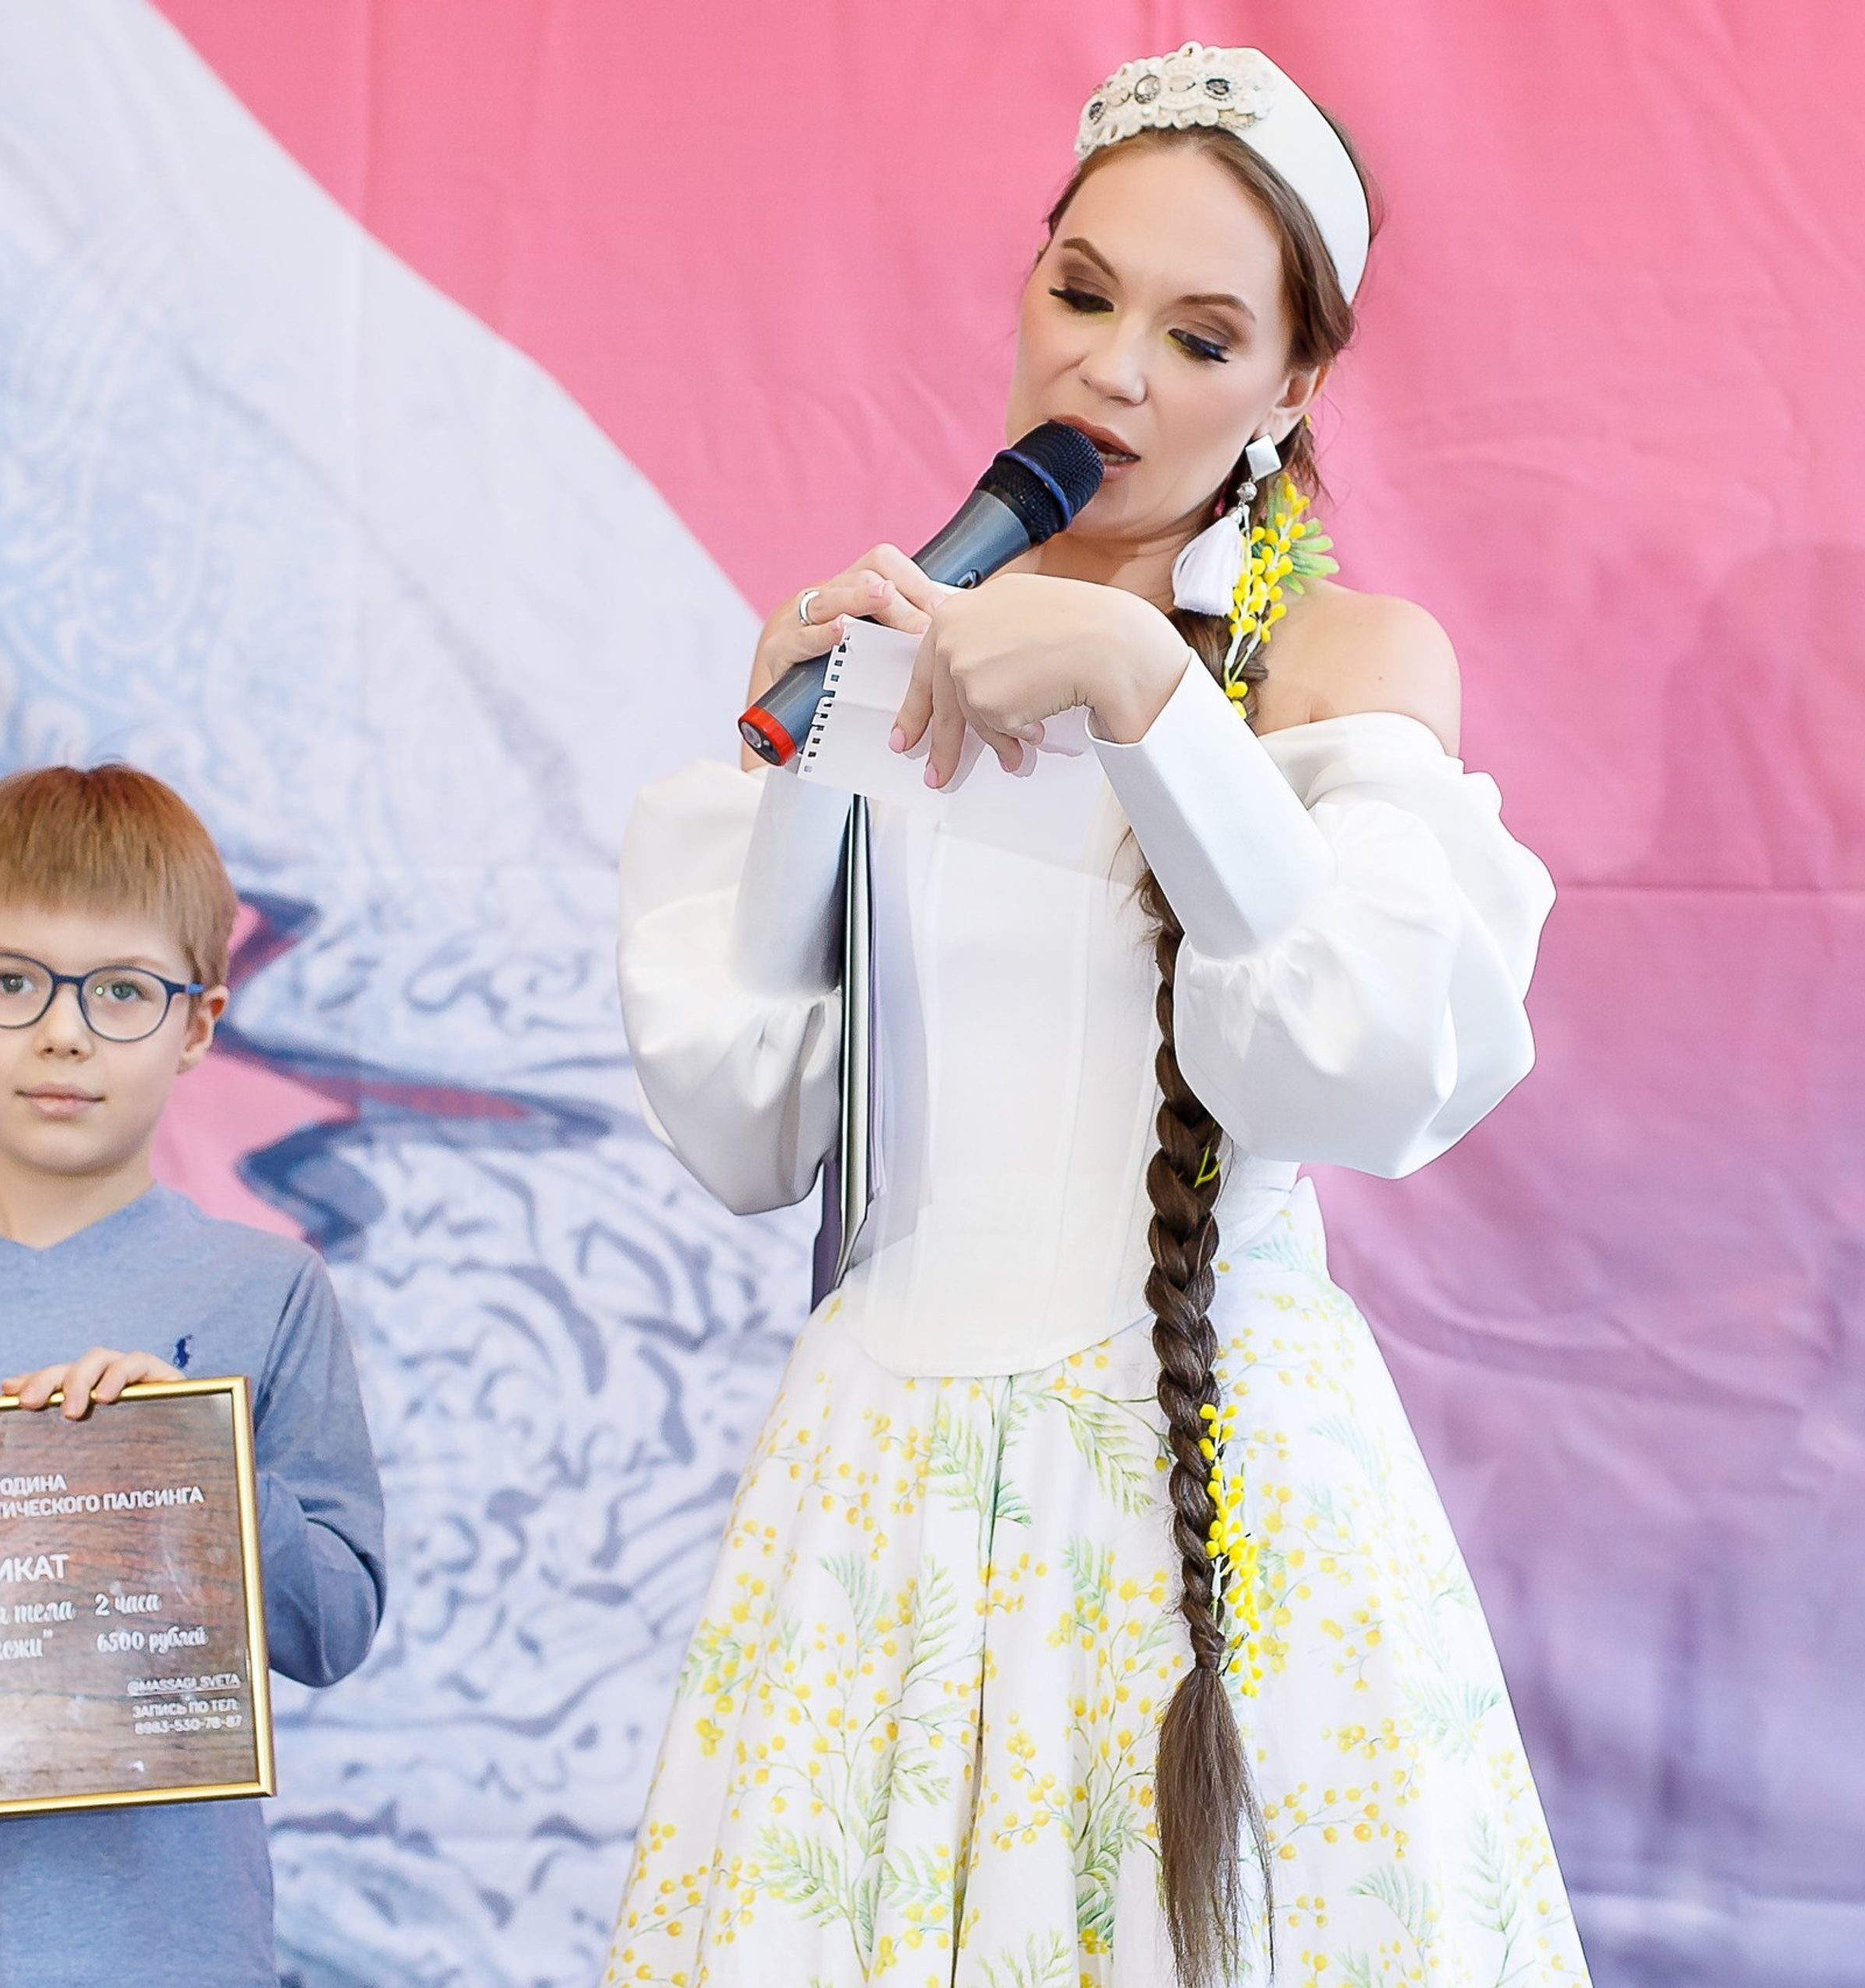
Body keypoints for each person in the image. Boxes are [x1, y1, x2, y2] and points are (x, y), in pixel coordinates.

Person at [607, 40, 1594, 1988]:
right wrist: (807, 761)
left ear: (1297, 382)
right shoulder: (870, 651)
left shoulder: (1340, 661)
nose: (1111, 374)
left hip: (1202, 1504)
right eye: (1079, 293)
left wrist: (1153, 706)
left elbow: (1365, 1066)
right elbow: (740, 1132)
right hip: (877, 1508)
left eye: (1201, 333)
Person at [0, 766, 384, 1988]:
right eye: (12, 983)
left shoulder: (264, 1290)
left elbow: (337, 1626)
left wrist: (195, 1471)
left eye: (120, 991)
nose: (63, 1032)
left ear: (197, 1025)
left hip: (171, 1947)